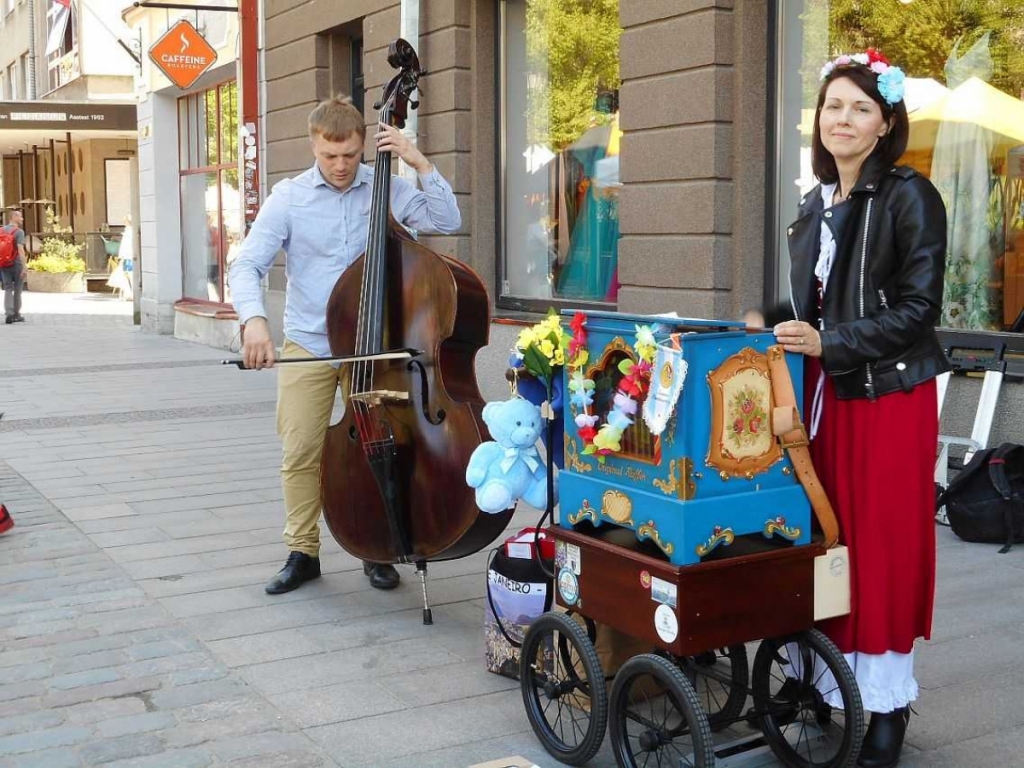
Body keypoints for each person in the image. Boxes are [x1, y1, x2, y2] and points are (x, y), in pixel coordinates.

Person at [748, 50, 948, 768]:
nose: (845, 118)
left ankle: (887, 704)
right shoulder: (814, 204)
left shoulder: (909, 196)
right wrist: (758, 321)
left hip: (889, 397)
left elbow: (919, 311)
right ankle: (828, 684)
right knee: (826, 538)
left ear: (885, 121)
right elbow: (813, 306)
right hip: (825, 396)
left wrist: (827, 341)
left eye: (862, 107)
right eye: (835, 105)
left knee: (883, 545)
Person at [228, 95, 462, 595]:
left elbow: (446, 220)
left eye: (351, 155)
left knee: (383, 445)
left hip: (376, 348)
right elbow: (246, 264)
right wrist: (253, 322)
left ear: (364, 147)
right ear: (314, 146)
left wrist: (417, 160)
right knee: (301, 450)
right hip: (312, 342)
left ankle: (376, 548)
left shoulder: (385, 185)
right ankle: (302, 551)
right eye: (330, 156)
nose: (340, 166)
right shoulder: (289, 197)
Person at [1, 210, 27, 325]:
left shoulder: (1, 230)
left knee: (7, 288)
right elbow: (20, 249)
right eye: (20, 217)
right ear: (14, 217)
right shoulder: (19, 232)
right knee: (17, 289)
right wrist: (24, 266)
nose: (22, 219)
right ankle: (16, 314)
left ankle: (8, 314)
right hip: (16, 264)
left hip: (3, 263)